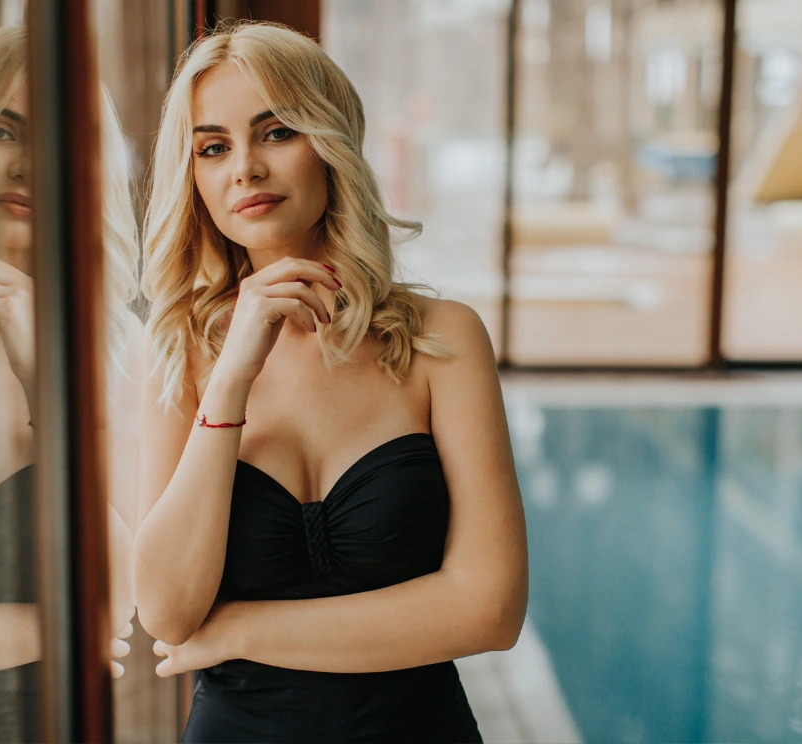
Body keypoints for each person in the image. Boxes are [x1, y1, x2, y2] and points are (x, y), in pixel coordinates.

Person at [134, 20, 528, 743]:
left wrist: (241, 629)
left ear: (332, 144)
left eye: (276, 132)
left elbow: (490, 611)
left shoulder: (442, 341)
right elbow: (166, 611)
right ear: (195, 179)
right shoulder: (183, 353)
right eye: (213, 148)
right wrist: (230, 382)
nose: (244, 168)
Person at [0, 25, 141, 743]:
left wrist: (43, 386)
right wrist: (56, 628)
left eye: (57, 137)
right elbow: (91, 620)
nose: (28, 165)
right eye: (1, 130)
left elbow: (123, 596)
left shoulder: (124, 349)